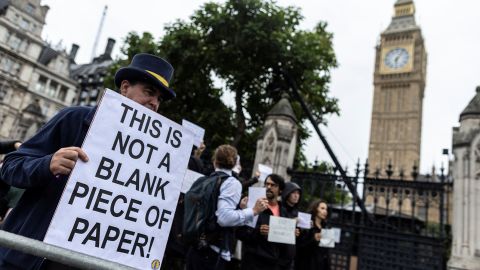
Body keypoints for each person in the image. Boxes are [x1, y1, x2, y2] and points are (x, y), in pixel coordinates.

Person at [0, 53, 176, 270]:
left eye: (159, 99)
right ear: (124, 87)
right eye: (149, 92)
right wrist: (47, 164)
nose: (154, 103)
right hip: (28, 259)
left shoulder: (153, 156)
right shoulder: (74, 119)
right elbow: (11, 166)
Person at [185, 145, 268, 270]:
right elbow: (224, 218)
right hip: (212, 252)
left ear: (215, 161)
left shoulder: (205, 179)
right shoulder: (232, 182)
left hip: (196, 246)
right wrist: (253, 211)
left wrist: (240, 208)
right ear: (235, 163)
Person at [238, 173, 295, 270]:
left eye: (273, 185)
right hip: (253, 263)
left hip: (273, 264)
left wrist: (292, 233)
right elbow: (240, 233)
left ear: (280, 190)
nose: (269, 187)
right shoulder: (254, 206)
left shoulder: (284, 212)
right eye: (267, 184)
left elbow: (285, 243)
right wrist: (258, 231)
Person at [295, 199, 330, 270]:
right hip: (307, 264)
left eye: (326, 209)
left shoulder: (326, 227)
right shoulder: (307, 223)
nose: (325, 211)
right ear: (315, 209)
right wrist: (313, 239)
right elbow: (300, 245)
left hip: (321, 264)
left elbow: (326, 250)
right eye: (322, 208)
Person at [281, 182, 302, 270]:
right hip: (279, 256)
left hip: (290, 258)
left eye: (298, 193)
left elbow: (300, 237)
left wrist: (302, 230)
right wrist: (292, 222)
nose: (296, 195)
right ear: (287, 193)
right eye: (293, 192)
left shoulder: (298, 213)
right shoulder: (280, 208)